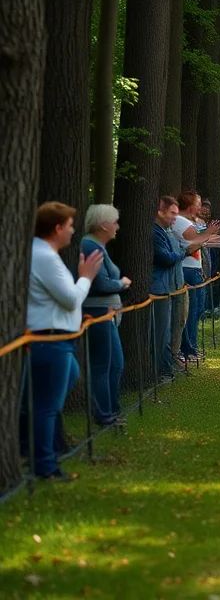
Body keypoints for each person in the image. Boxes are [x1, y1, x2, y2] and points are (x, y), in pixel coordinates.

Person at [25, 202, 104, 479]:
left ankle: (38, 449)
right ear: (58, 228)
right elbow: (71, 299)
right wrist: (86, 278)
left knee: (66, 380)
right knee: (46, 406)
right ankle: (44, 465)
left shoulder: (44, 253)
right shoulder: (44, 256)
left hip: (56, 338)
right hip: (49, 338)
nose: (73, 232)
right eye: (70, 226)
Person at [153, 196, 220, 383]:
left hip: (177, 281)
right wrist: (205, 237)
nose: (174, 219)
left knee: (186, 317)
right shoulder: (164, 229)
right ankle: (176, 359)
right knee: (172, 325)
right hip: (168, 284)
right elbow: (171, 255)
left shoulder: (167, 229)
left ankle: (176, 358)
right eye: (171, 214)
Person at [81, 205, 130, 427]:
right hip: (97, 313)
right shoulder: (92, 247)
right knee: (104, 364)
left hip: (105, 312)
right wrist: (122, 283)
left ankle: (111, 410)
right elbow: (99, 283)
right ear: (103, 225)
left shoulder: (98, 246)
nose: (118, 227)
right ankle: (104, 413)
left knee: (115, 363)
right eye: (115, 222)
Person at [174, 191, 220, 362]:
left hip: (194, 269)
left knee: (197, 309)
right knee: (191, 311)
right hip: (188, 270)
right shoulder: (180, 221)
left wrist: (207, 238)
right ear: (190, 206)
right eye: (198, 203)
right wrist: (208, 234)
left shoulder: (187, 222)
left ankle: (191, 348)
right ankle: (188, 349)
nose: (200, 207)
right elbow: (194, 240)